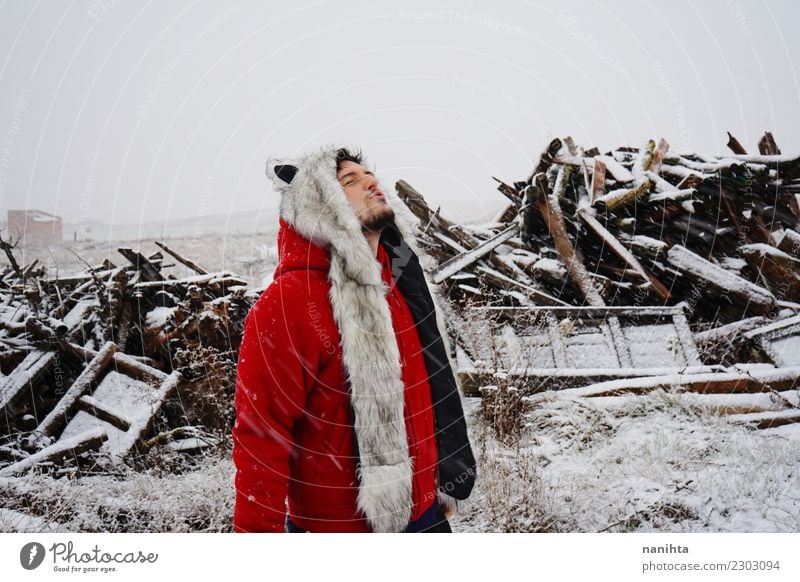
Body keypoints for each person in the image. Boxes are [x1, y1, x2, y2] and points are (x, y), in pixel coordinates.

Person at [232, 144, 476, 533]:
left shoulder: (398, 286)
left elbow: (430, 389)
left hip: (424, 517)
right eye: (350, 180)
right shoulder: (291, 301)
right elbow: (262, 434)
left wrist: (438, 486)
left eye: (369, 175)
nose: (371, 182)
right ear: (320, 203)